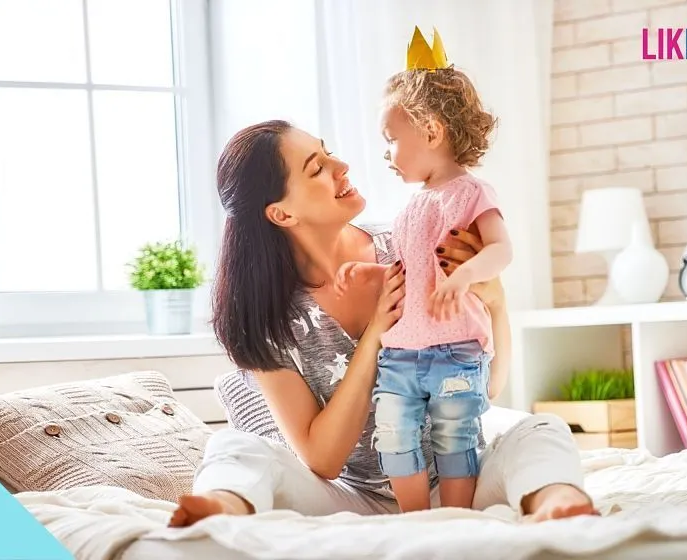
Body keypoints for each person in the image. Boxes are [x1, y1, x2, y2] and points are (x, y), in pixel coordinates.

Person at [167, 119, 595, 528]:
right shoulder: (265, 318)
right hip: (353, 501)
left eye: (328, 152)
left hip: (458, 482)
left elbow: (488, 384)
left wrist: (494, 299)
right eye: (317, 168)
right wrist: (377, 332)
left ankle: (558, 503)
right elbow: (322, 458)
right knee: (235, 446)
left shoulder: (412, 242)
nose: (342, 167)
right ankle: (219, 510)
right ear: (281, 214)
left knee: (540, 428)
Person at [333, 28, 511, 512]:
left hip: (455, 353)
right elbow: (407, 269)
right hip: (401, 354)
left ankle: (453, 519)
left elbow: (501, 252)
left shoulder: (473, 194)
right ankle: (415, 520)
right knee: (393, 437)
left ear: (431, 131)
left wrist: (465, 275)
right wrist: (366, 275)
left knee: (456, 439)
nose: (386, 155)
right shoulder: (411, 207)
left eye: (391, 141)